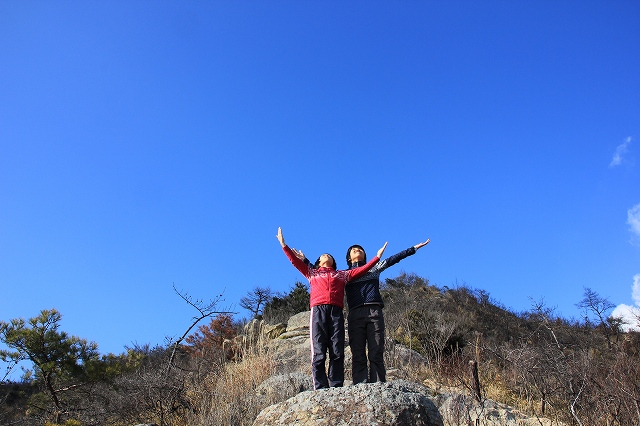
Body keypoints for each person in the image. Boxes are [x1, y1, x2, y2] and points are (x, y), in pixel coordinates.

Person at [276, 227, 387, 390]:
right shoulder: (311, 273)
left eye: (329, 255)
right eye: (322, 256)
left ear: (334, 262)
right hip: (318, 311)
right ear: (318, 262)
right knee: (319, 350)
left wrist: (377, 257)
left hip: (337, 312)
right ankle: (320, 386)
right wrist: (283, 244)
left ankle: (336, 385)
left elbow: (362, 269)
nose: (326, 255)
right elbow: (295, 262)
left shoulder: (342, 275)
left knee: (337, 351)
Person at [345, 239, 430, 384]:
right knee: (358, 353)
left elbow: (394, 259)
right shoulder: (344, 275)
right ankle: (360, 385)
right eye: (353, 250)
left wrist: (413, 248)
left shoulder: (374, 268)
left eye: (360, 249)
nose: (357, 250)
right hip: (355, 314)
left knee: (376, 350)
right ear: (348, 258)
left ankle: (378, 384)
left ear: (365, 255)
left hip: (374, 312)